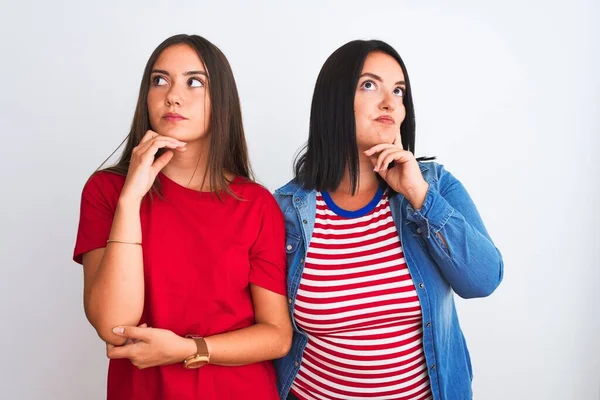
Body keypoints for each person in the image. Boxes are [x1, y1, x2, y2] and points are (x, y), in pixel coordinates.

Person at [273, 39, 504, 400]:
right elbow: (268, 328)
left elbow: (483, 280)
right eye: (369, 85)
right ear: (334, 101)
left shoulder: (434, 185)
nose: (390, 102)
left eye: (398, 91)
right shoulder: (287, 210)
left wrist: (420, 196)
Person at [73, 34, 292, 399]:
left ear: (220, 100)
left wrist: (190, 350)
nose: (173, 95)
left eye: (195, 82)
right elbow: (114, 326)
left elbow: (277, 335)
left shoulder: (255, 203)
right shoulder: (107, 192)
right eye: (160, 80)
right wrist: (131, 198)